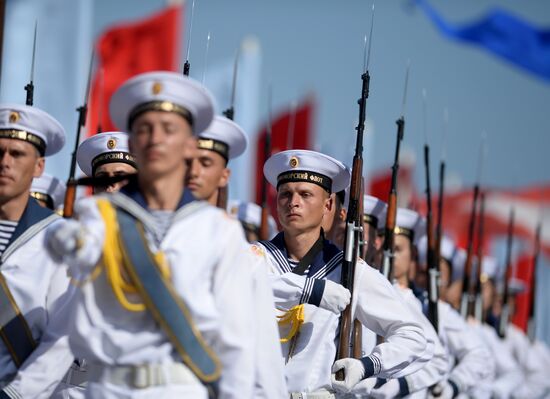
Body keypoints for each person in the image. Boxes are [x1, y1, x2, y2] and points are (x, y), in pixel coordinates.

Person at [47, 71, 281, 399]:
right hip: (106, 387)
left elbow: (237, 345)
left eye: (169, 129)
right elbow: (68, 257)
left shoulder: (219, 232)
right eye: (144, 129)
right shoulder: (98, 219)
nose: (155, 138)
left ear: (188, 145)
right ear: (132, 142)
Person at [251, 149, 428, 398]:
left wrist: (367, 366)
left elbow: (413, 336)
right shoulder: (256, 257)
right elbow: (236, 286)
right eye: (285, 194)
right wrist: (311, 290)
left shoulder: (348, 271)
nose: (293, 202)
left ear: (329, 204)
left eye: (305, 194)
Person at [0, 103, 77, 398]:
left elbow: (63, 337)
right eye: (0, 152)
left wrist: (16, 394)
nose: (5, 162)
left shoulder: (60, 237)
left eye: (17, 154)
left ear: (39, 166)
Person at [185, 115, 247, 206]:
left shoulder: (226, 220)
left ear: (224, 177)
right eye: (187, 163)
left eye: (205, 164)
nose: (193, 172)